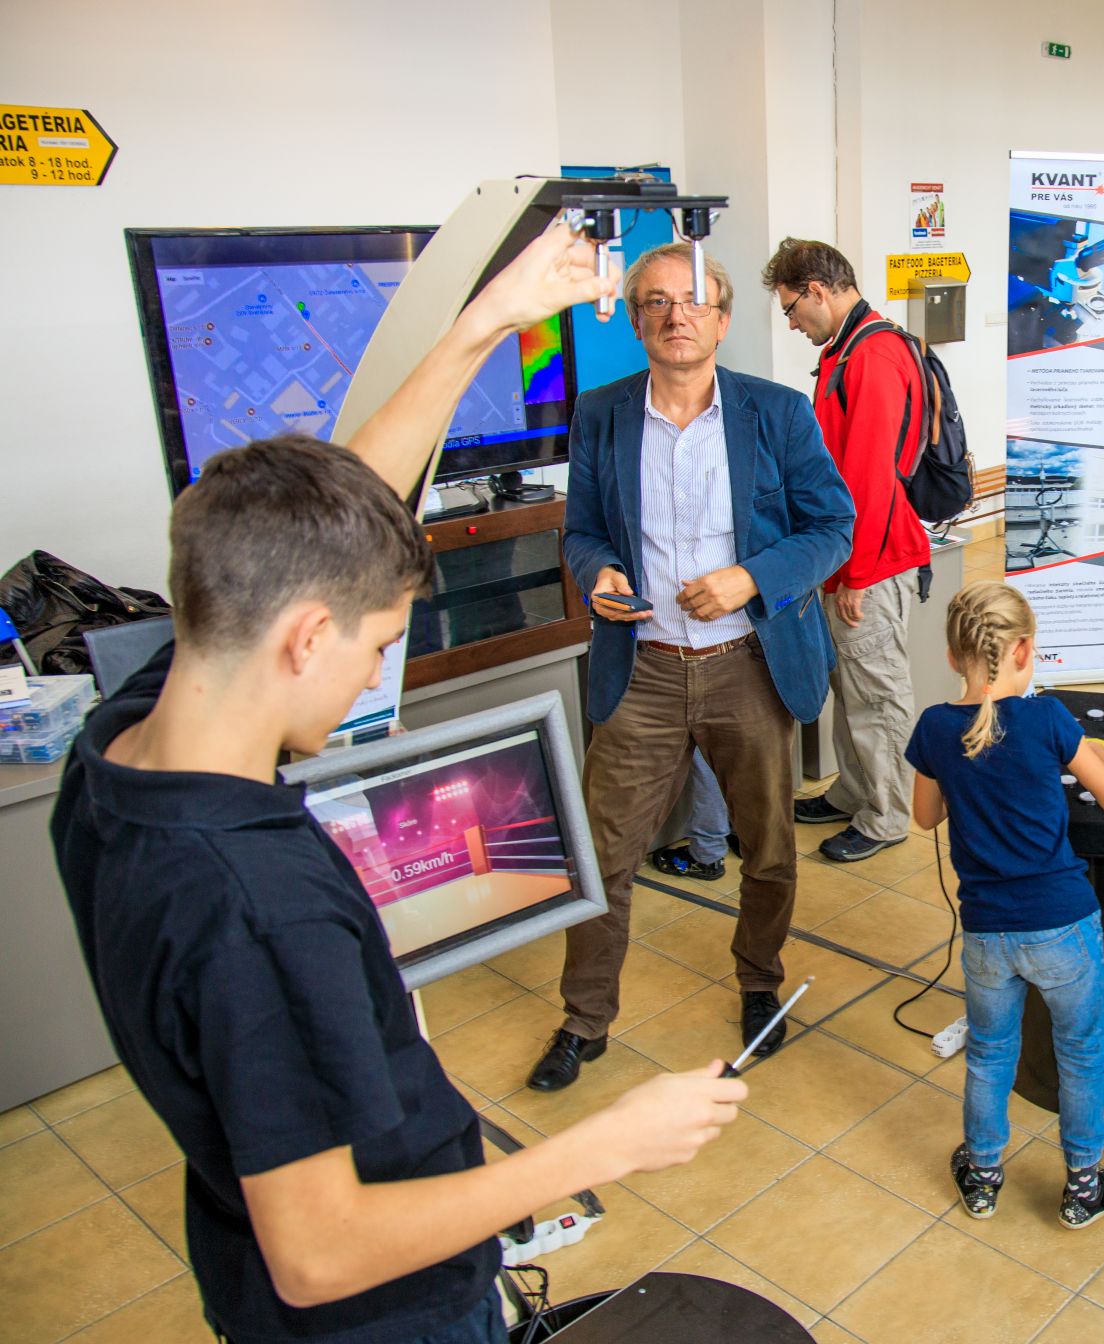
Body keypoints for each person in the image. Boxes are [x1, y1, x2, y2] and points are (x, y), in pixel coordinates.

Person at [49, 223, 748, 1344]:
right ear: (304, 635)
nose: (375, 672)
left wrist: (485, 325)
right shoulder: (256, 909)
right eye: (377, 644)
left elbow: (333, 516)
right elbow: (320, 1253)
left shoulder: (121, 748)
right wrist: (601, 1148)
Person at [535, 241, 855, 1091]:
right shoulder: (600, 414)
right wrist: (598, 573)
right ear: (637, 321)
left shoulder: (777, 413)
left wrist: (751, 578)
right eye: (657, 302)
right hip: (641, 668)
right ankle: (584, 1019)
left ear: (721, 319)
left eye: (693, 301)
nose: (677, 316)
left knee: (769, 849)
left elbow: (833, 528)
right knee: (603, 857)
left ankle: (759, 984)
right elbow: (583, 530)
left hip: (748, 663)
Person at [905, 581, 1104, 1229]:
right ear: (1025, 650)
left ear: (953, 657)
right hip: (1062, 922)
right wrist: (1094, 752)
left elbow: (924, 816)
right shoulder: (1049, 719)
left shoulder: (935, 728)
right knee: (1082, 1053)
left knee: (989, 1054)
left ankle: (982, 1177)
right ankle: (1083, 1184)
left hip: (987, 931)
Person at [762, 237, 929, 864]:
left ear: (817, 290)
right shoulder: (846, 349)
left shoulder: (874, 355)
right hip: (845, 559)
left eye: (791, 309)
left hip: (871, 563)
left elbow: (869, 477)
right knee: (851, 685)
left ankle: (886, 816)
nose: (792, 323)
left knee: (877, 694)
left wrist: (854, 574)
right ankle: (855, 792)